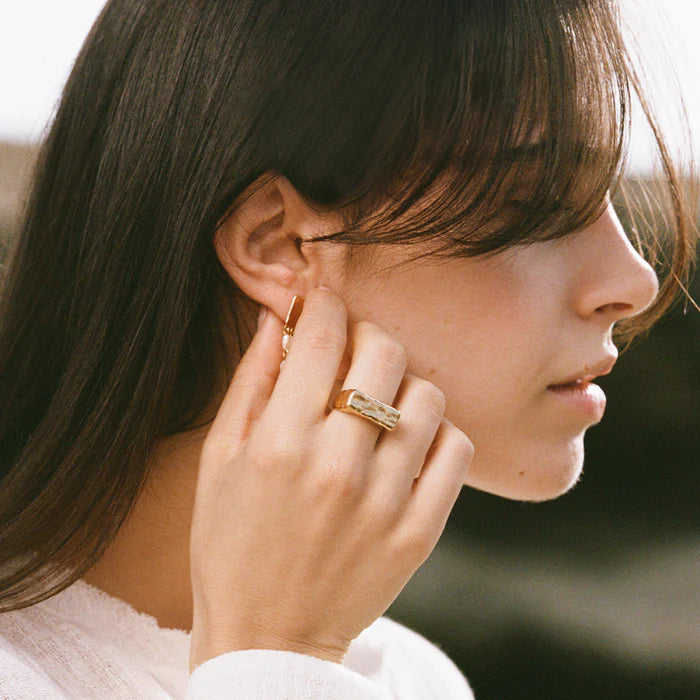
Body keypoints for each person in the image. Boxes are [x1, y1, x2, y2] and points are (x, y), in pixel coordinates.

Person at [0, 0, 695, 697]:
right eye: (533, 206)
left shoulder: (410, 677)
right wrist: (278, 655)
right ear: (279, 244)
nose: (634, 281)